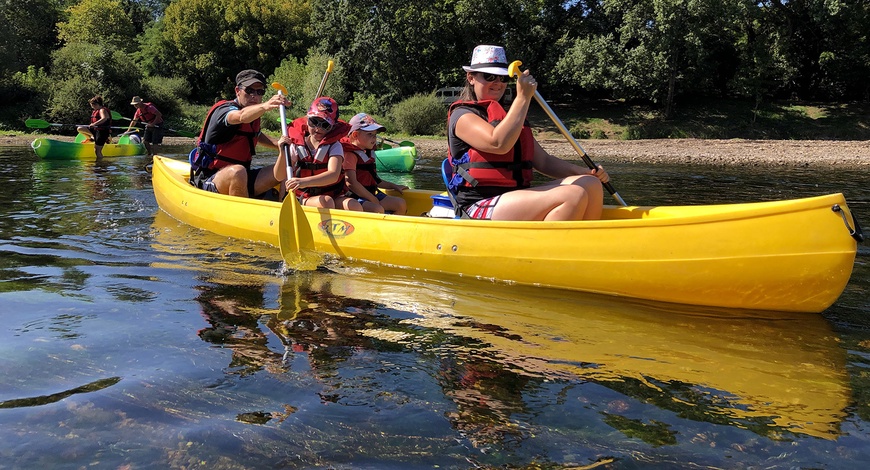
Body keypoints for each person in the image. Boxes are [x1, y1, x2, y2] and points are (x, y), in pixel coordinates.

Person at [447, 45, 610, 221]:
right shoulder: (463, 115)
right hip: (478, 204)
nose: (498, 83)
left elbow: (544, 161)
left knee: (590, 184)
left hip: (514, 197)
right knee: (572, 195)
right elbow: (498, 143)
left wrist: (586, 172)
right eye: (489, 76)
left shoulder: (509, 118)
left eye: (502, 78)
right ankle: (549, 247)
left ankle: (585, 244)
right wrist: (523, 98)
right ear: (471, 78)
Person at [189, 69, 290, 198]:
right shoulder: (224, 110)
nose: (254, 95)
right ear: (238, 91)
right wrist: (266, 106)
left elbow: (256, 136)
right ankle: (243, 214)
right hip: (212, 178)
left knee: (285, 166)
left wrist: (284, 145)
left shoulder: (254, 116)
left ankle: (283, 207)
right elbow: (240, 116)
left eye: (260, 92)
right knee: (237, 171)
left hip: (243, 176)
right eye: (249, 90)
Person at [278, 97, 362, 210]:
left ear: (332, 127)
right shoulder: (296, 145)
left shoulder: (334, 146)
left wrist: (302, 182)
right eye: (314, 122)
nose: (318, 128)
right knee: (326, 202)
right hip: (304, 196)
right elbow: (279, 176)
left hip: (333, 195)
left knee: (353, 205)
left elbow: (333, 175)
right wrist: (282, 152)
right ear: (307, 120)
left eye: (325, 125)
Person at [341, 113, 409, 214]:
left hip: (371, 194)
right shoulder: (350, 155)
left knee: (400, 204)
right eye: (370, 134)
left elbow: (376, 180)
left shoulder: (367, 153)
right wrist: (372, 199)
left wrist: (394, 186)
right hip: (354, 197)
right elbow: (351, 183)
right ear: (355, 135)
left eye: (375, 135)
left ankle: (391, 229)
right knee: (377, 209)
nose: (374, 138)